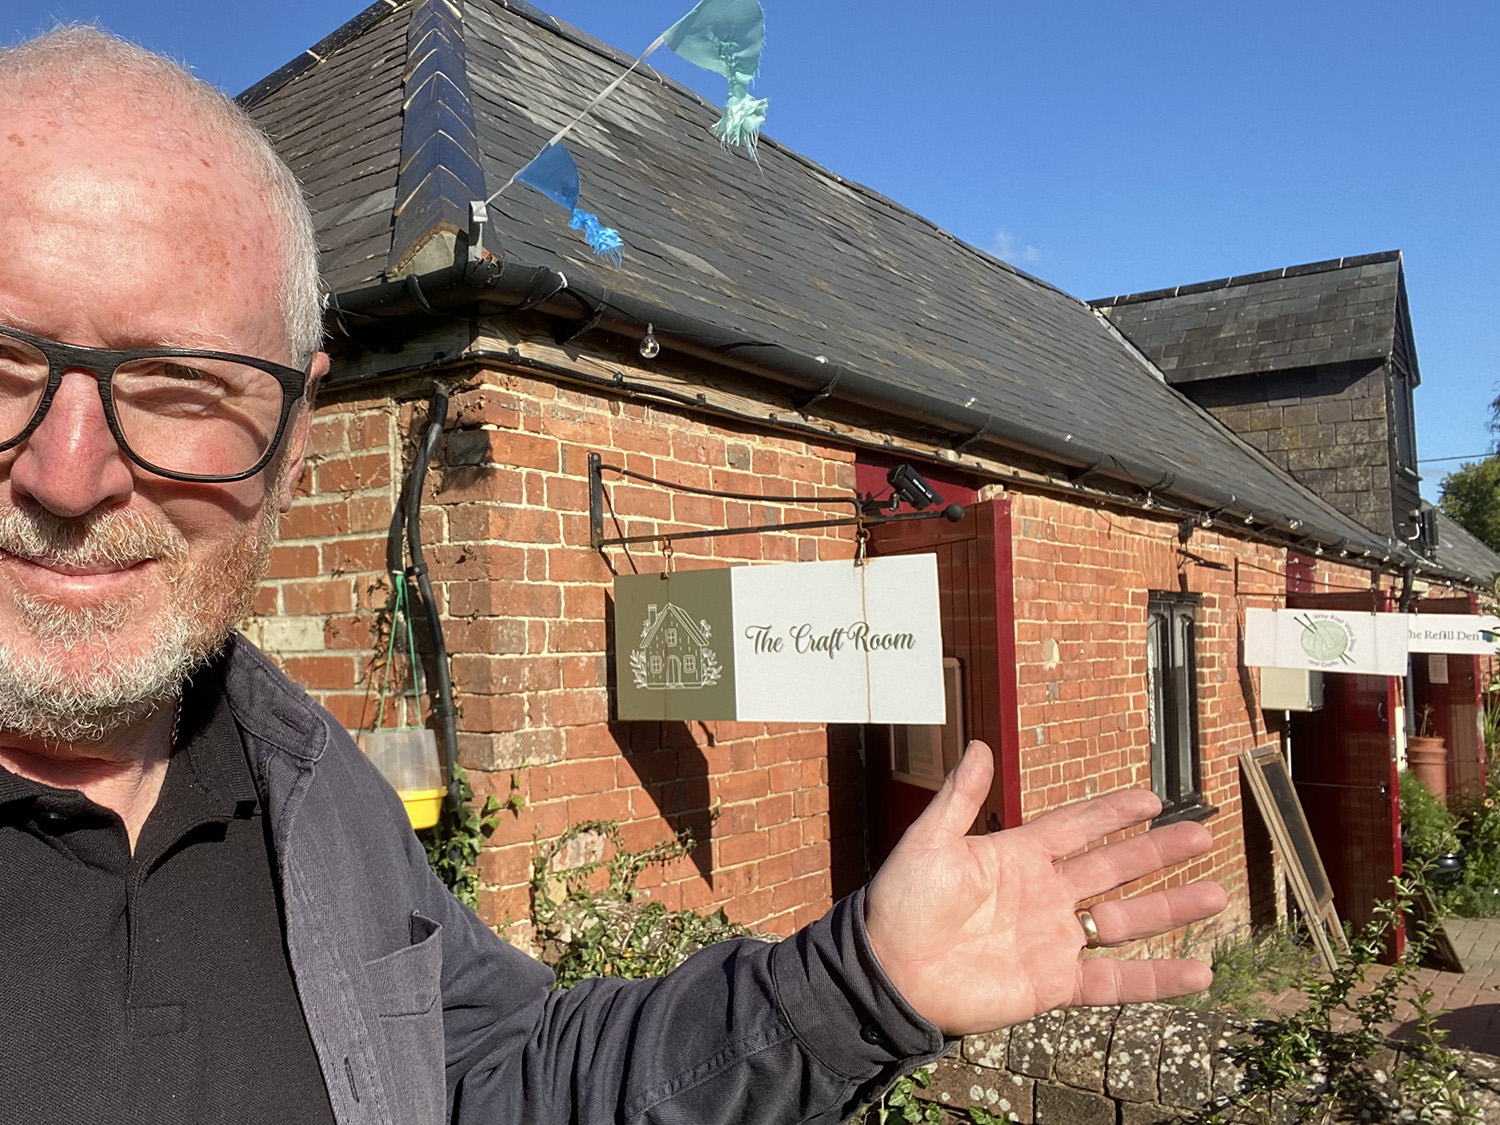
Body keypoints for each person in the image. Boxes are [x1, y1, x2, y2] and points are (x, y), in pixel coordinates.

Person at [0, 25, 1227, 1125]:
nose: (67, 473)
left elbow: (495, 1075)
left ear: (298, 430)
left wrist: (861, 984)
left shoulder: (311, 789)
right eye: (4, 362)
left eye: (178, 389)